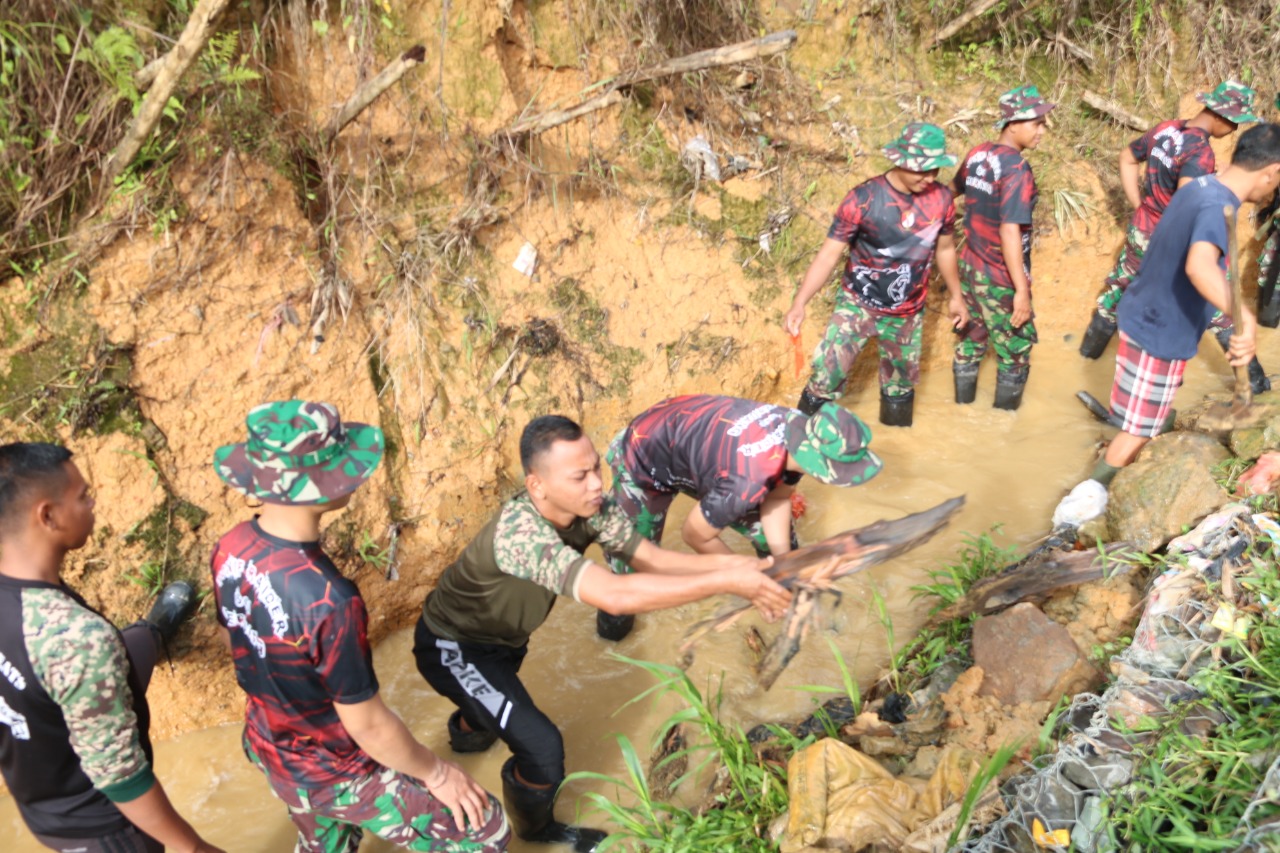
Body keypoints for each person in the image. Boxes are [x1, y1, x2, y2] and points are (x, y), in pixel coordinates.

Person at [411, 415, 793, 853]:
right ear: (537, 486)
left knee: (487, 711)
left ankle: (468, 732)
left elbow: (649, 556)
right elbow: (613, 595)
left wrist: (738, 566)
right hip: (454, 647)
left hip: (504, 641)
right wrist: (728, 583)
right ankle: (535, 833)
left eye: (597, 467)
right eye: (580, 476)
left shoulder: (592, 507)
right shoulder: (521, 535)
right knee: (542, 749)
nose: (597, 483)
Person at [209, 401, 508, 853]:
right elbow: (367, 725)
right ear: (314, 487)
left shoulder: (230, 546)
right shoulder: (329, 599)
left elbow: (243, 637)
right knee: (483, 829)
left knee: (325, 843)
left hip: (268, 745)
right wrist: (438, 772)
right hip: (333, 770)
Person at [0, 441, 221, 853]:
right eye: (83, 496)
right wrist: (191, 846)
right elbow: (120, 775)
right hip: (105, 830)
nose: (92, 503)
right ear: (47, 516)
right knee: (114, 651)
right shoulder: (76, 639)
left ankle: (155, 630)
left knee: (133, 644)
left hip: (42, 806)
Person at [598, 394, 882, 640]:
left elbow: (779, 496)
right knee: (628, 574)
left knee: (775, 544)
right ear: (819, 466)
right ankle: (612, 642)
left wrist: (784, 567)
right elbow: (694, 534)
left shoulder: (799, 428)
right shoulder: (747, 480)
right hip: (643, 456)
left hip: (696, 448)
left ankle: (788, 600)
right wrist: (746, 582)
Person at [1089, 123, 1280, 487]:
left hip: (1147, 316)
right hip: (1159, 333)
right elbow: (1199, 267)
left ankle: (1150, 425)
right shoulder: (1216, 205)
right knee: (1135, 433)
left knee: (1144, 420)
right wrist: (1247, 318)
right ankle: (1084, 507)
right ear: (1272, 172)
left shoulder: (1200, 185)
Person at [1080, 81, 1269, 394]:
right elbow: (1188, 202)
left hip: (1143, 229)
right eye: (1234, 123)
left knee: (1115, 294)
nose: (1233, 130)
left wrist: (1140, 206)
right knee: (1222, 313)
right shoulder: (1201, 152)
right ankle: (1257, 387)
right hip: (1173, 242)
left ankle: (1087, 361)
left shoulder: (1166, 130)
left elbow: (1127, 157)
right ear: (1221, 117)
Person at [784, 122, 968, 427]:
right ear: (899, 160)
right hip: (856, 305)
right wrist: (800, 302)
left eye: (934, 169)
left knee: (899, 389)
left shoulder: (942, 201)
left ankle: (895, 455)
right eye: (921, 170)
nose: (929, 177)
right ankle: (798, 448)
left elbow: (945, 249)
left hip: (906, 313)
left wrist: (957, 297)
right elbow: (829, 254)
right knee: (825, 378)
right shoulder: (863, 199)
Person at [950, 84, 1056, 410]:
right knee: (1015, 353)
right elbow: (1010, 231)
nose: (1042, 130)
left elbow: (950, 193)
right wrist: (1020, 291)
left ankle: (962, 409)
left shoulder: (978, 153)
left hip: (969, 266)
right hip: (999, 276)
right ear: (1013, 124)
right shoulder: (1016, 169)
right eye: (1036, 123)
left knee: (971, 341)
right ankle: (1003, 428)